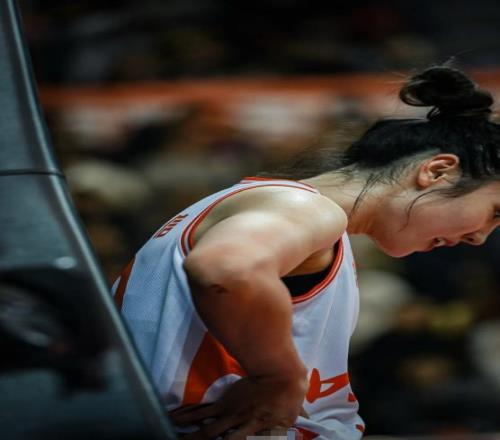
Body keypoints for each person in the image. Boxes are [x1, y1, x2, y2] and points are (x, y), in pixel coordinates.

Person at [112, 66, 500, 440]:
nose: (480, 237)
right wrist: (278, 377)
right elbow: (224, 268)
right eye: (494, 213)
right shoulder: (306, 208)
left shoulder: (291, 211)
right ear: (437, 171)